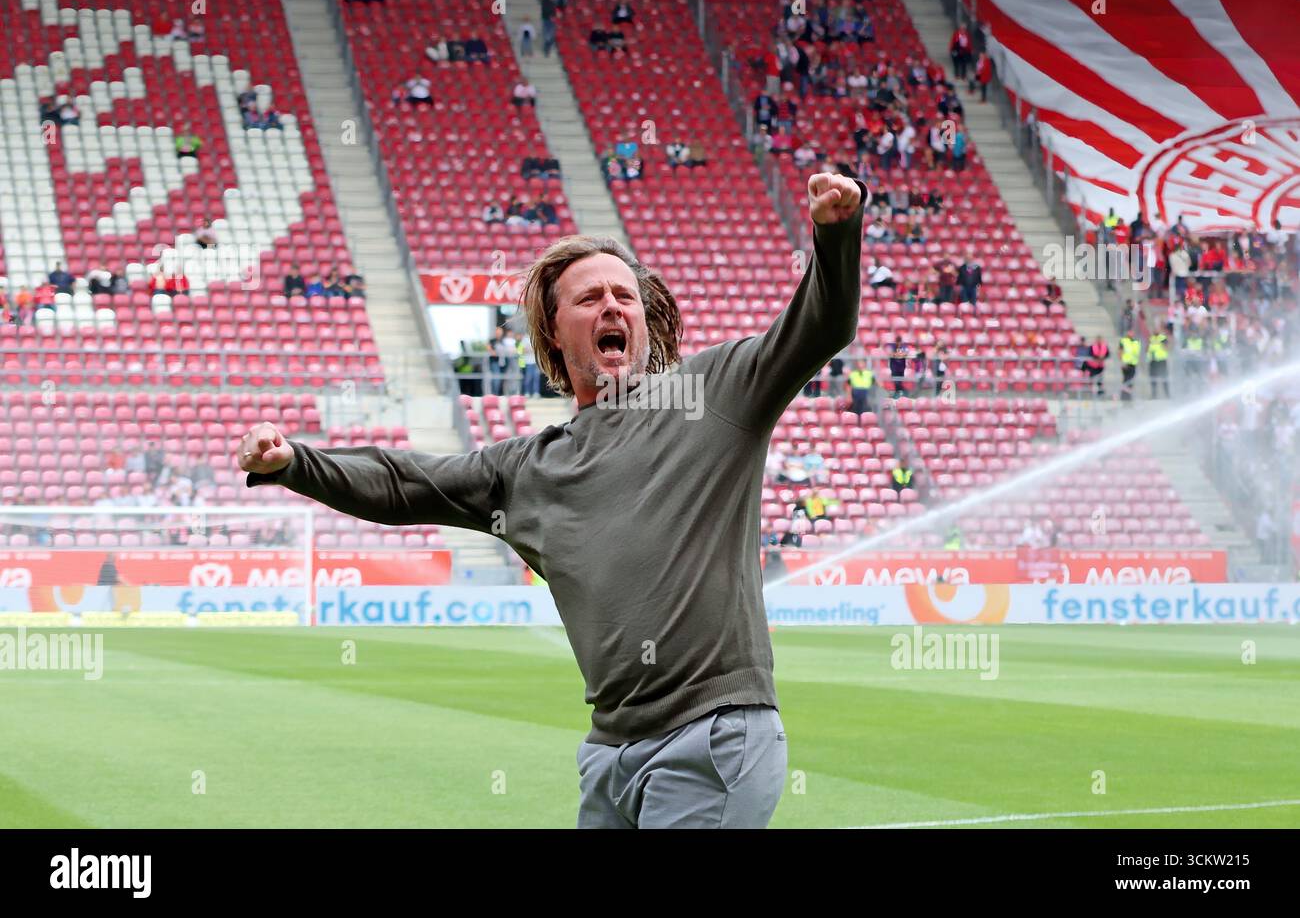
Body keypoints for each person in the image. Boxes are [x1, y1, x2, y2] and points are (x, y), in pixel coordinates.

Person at [236, 172, 865, 829]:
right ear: (554, 332)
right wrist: (295, 463)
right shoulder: (525, 470)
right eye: (590, 298)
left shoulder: (716, 393)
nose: (614, 307)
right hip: (609, 757)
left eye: (626, 296)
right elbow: (403, 483)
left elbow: (819, 327)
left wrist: (835, 232)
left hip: (711, 738)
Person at [1119, 330, 1140, 402]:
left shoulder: (1136, 342)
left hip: (1133, 364)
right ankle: (1124, 397)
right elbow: (1120, 352)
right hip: (1126, 364)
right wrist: (1122, 362)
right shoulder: (1124, 341)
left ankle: (1129, 397)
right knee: (1126, 381)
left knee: (1130, 382)